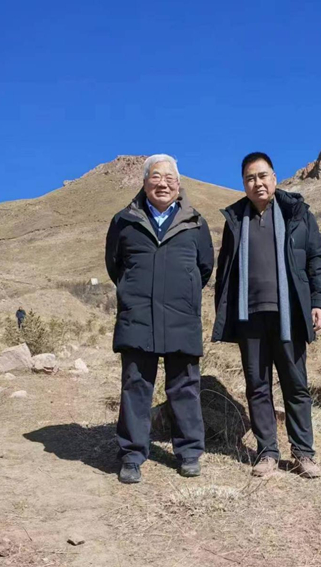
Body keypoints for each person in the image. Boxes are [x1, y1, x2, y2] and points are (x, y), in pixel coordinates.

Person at [212, 152, 321, 478]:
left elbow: (316, 260)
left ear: (275, 178)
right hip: (249, 317)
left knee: (296, 385)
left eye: (262, 176)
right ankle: (267, 453)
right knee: (257, 386)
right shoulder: (236, 219)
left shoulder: (297, 214)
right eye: (250, 178)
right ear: (243, 184)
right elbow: (225, 270)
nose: (257, 183)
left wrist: (318, 302)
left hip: (289, 314)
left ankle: (303, 454)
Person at [105, 154, 214, 484]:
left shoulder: (196, 223)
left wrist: (183, 292)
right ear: (144, 182)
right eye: (156, 177)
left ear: (178, 184)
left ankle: (189, 452)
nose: (162, 183)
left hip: (181, 317)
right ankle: (132, 455)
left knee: (185, 387)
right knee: (136, 386)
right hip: (138, 317)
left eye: (169, 178)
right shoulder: (124, 221)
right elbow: (115, 266)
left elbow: (204, 268)